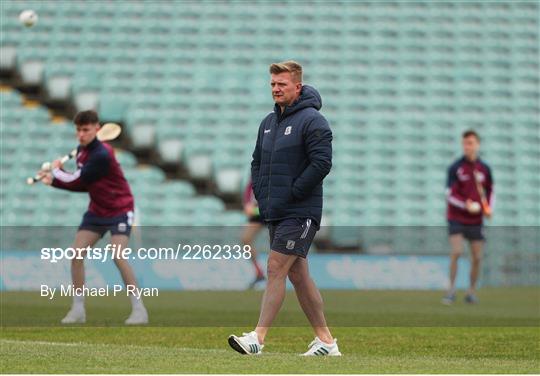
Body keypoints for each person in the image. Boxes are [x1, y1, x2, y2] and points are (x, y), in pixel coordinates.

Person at [228, 61, 340, 356]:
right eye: (273, 84)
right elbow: (256, 163)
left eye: (282, 84)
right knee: (298, 276)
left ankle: (257, 338)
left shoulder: (313, 121)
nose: (276, 89)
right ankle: (326, 342)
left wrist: (294, 193)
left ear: (297, 87)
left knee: (275, 267)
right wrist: (264, 198)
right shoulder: (267, 123)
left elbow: (322, 163)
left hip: (301, 212)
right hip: (276, 210)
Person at [40, 110, 148, 324]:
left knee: (117, 255)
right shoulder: (81, 151)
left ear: (97, 129)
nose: (81, 134)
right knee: (76, 254)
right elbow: (84, 185)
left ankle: (139, 310)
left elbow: (78, 179)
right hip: (97, 210)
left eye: (86, 130)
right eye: (78, 130)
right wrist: (53, 180)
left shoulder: (102, 154)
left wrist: (56, 172)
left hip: (120, 208)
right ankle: (78, 309)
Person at [442, 130, 494, 305]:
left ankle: (471, 292)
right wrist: (466, 205)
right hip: (456, 217)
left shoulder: (484, 169)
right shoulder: (455, 167)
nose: (467, 147)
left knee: (477, 257)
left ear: (477, 145)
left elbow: (491, 191)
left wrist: (489, 208)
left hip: (476, 220)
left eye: (470, 143)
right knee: (457, 252)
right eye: (465, 143)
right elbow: (449, 195)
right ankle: (450, 290)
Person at [241, 179, 266, 288]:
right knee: (245, 239)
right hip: (258, 211)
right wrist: (247, 205)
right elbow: (249, 189)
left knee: (278, 242)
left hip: (269, 209)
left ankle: (280, 273)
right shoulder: (255, 173)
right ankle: (259, 272)